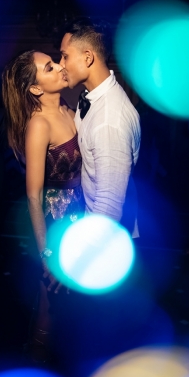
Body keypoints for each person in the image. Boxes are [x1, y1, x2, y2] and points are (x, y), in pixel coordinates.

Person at [1, 49, 84, 364]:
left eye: (55, 61)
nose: (61, 67)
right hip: (55, 219)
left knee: (74, 300)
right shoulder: (39, 124)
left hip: (79, 212)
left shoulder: (67, 107)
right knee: (50, 302)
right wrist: (46, 253)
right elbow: (33, 195)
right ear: (36, 88)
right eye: (50, 68)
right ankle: (37, 365)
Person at [58, 17, 141, 235]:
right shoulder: (90, 98)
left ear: (87, 57)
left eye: (65, 56)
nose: (61, 64)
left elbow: (109, 207)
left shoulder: (110, 121)